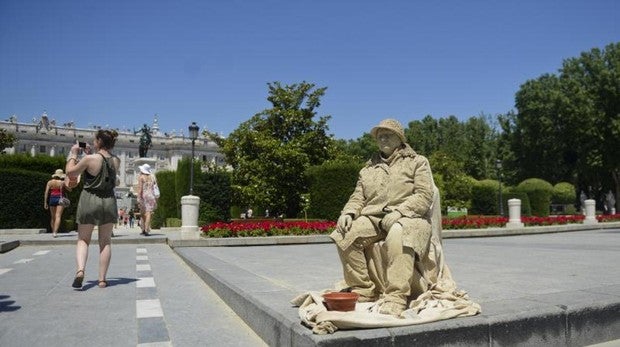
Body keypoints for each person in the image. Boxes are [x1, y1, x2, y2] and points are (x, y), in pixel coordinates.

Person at [330, 119, 436, 316]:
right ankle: (363, 290)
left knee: (398, 232)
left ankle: (396, 296)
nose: (383, 139)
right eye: (380, 136)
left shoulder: (417, 162)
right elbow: (358, 197)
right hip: (374, 218)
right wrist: (348, 213)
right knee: (343, 234)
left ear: (400, 138)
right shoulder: (368, 169)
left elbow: (424, 195)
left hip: (410, 217)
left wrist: (400, 212)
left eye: (388, 134)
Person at [65, 130, 120, 289]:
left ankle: (80, 271)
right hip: (108, 201)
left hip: (89, 199)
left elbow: (70, 172)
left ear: (98, 142)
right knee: (105, 242)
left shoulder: (89, 159)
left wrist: (74, 154)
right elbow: (104, 164)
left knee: (83, 240)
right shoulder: (116, 161)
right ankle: (102, 280)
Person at [43, 169, 70, 238]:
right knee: (58, 216)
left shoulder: (50, 182)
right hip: (60, 199)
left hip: (52, 199)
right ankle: (55, 232)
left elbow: (46, 193)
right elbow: (70, 189)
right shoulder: (62, 182)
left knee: (53, 216)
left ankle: (53, 231)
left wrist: (45, 202)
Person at [137, 163, 158, 236]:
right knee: (148, 212)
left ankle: (145, 230)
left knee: (143, 213)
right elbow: (155, 186)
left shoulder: (141, 177)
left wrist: (139, 198)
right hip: (151, 195)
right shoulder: (153, 177)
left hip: (144, 196)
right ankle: (145, 229)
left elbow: (140, 189)